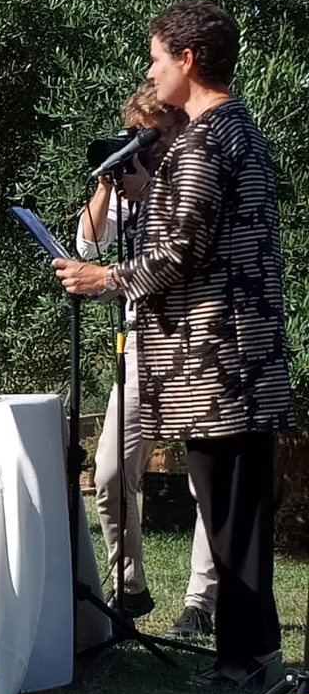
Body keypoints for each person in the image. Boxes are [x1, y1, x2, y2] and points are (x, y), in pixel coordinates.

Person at [55, 0, 294, 687]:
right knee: (234, 518)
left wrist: (106, 278)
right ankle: (251, 654)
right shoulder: (237, 131)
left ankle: (246, 660)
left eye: (157, 57)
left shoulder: (202, 142)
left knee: (231, 519)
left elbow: (182, 250)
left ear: (188, 60)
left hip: (218, 362)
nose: (152, 71)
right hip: (239, 359)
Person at [77, 82, 217, 637]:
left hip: (195, 341)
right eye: (138, 135)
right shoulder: (132, 186)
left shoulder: (194, 175)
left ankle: (201, 601)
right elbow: (88, 248)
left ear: (178, 130)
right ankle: (129, 584)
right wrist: (107, 182)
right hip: (141, 343)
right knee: (111, 471)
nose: (146, 146)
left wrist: (150, 188)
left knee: (206, 480)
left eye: (153, 136)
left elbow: (186, 251)